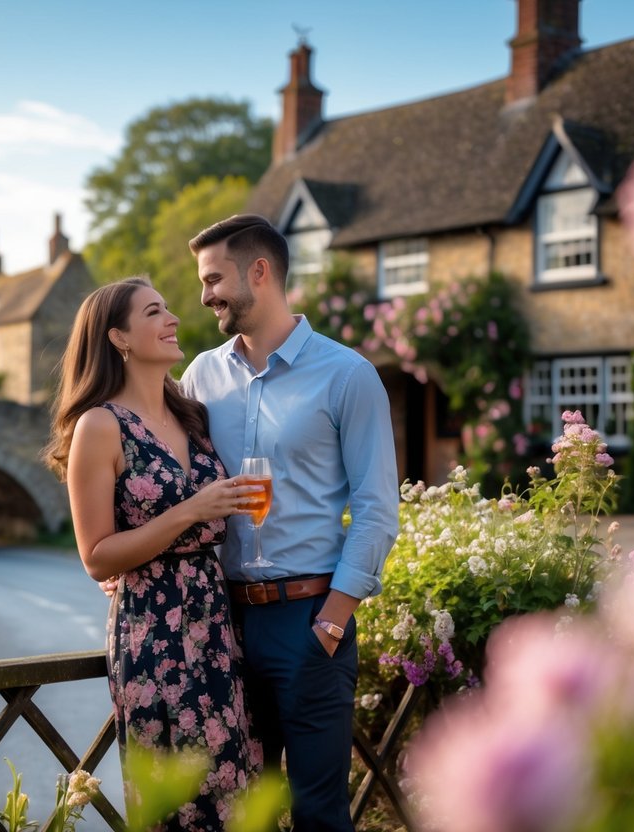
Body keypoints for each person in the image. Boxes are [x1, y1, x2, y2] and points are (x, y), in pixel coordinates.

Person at [181, 214, 399, 832]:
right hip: (220, 626)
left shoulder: (347, 375)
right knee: (235, 814)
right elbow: (171, 482)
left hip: (308, 622)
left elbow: (378, 505)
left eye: (214, 279)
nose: (205, 297)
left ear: (260, 272)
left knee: (319, 816)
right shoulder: (199, 376)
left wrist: (333, 619)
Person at [43, 276, 264, 830]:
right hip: (154, 632)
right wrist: (191, 510)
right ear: (118, 337)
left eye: (168, 310)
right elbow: (96, 556)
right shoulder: (100, 426)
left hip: (216, 621)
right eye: (154, 312)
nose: (173, 320)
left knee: (236, 788)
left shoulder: (191, 413)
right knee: (180, 801)